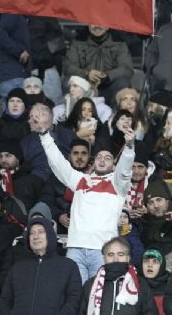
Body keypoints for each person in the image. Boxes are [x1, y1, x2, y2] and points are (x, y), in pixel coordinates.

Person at [42, 121, 135, 282]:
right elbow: (58, 163)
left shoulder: (117, 184)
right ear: (93, 162)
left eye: (108, 158)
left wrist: (129, 147)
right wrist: (45, 137)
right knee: (75, 295)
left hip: (102, 250)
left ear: (114, 165)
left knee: (97, 297)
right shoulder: (80, 180)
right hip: (75, 248)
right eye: (99, 157)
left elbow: (125, 171)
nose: (103, 159)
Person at [0, 217, 81, 314]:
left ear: (50, 235)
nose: (35, 237)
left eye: (41, 232)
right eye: (32, 233)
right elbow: (5, 300)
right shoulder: (17, 268)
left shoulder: (68, 266)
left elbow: (74, 299)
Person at [80, 237, 158, 315]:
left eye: (121, 255)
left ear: (128, 258)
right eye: (110, 255)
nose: (115, 259)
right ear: (104, 258)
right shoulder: (91, 284)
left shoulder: (140, 284)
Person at [64, 24, 133, 104]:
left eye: (101, 22)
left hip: (109, 86)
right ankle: (73, 113)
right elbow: (68, 66)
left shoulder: (119, 43)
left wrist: (107, 75)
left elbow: (127, 68)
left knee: (123, 82)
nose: (97, 26)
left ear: (107, 26)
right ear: (88, 25)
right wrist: (86, 73)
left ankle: (117, 114)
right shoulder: (78, 42)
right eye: (93, 23)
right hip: (84, 86)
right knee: (68, 82)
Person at [0, 13, 30, 102]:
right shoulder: (14, 15)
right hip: (13, 75)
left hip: (14, 75)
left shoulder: (21, 17)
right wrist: (19, 51)